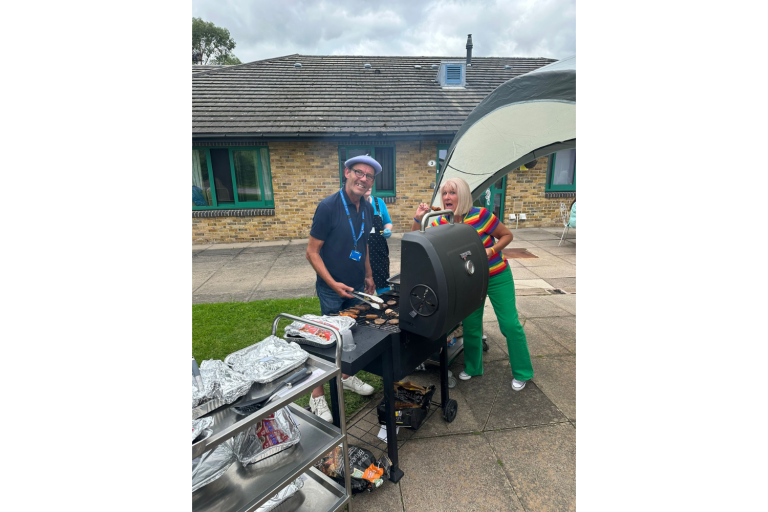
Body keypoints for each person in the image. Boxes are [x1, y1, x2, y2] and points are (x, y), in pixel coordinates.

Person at [412, 177, 533, 391]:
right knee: (470, 325)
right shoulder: (442, 221)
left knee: (510, 325)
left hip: (496, 275)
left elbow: (507, 235)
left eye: (453, 192)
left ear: (464, 195)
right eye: (445, 193)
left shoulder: (481, 215)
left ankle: (523, 372)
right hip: (470, 279)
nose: (448, 197)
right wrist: (418, 218)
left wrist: (492, 250)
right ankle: (473, 367)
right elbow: (416, 238)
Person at [305, 155, 380, 421]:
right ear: (347, 172)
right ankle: (316, 397)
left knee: (352, 338)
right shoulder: (328, 207)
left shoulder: (368, 207)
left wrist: (369, 275)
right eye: (359, 173)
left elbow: (364, 245)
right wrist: (331, 283)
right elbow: (312, 252)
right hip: (331, 287)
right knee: (326, 343)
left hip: (357, 286)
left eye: (369, 176)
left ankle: (347, 376)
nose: (363, 179)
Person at [364, 187, 393, 294]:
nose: (368, 186)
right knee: (361, 294)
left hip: (379, 255)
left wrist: (387, 229)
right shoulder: (355, 205)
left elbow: (388, 222)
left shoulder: (379, 202)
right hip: (361, 255)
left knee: (384, 289)